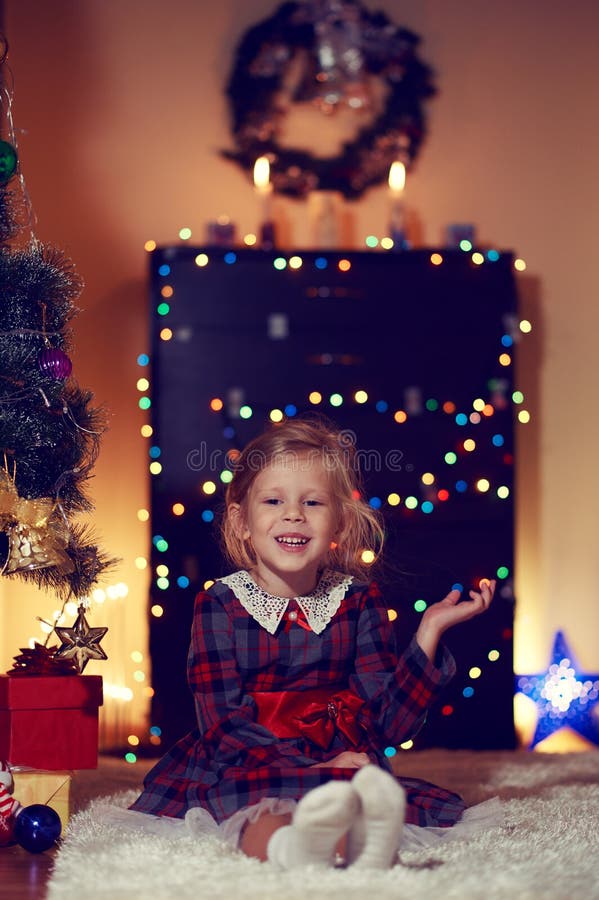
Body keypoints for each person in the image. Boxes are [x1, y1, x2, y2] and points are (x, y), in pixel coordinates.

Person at [130, 418, 497, 869]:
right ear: (241, 522)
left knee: (357, 797)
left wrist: (428, 635)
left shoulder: (359, 601)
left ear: (339, 521)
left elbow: (387, 727)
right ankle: (292, 852)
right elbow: (224, 727)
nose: (294, 514)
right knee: (265, 808)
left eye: (312, 502)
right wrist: (309, 767)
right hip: (248, 759)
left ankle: (361, 853)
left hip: (340, 761)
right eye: (273, 500)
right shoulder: (219, 604)